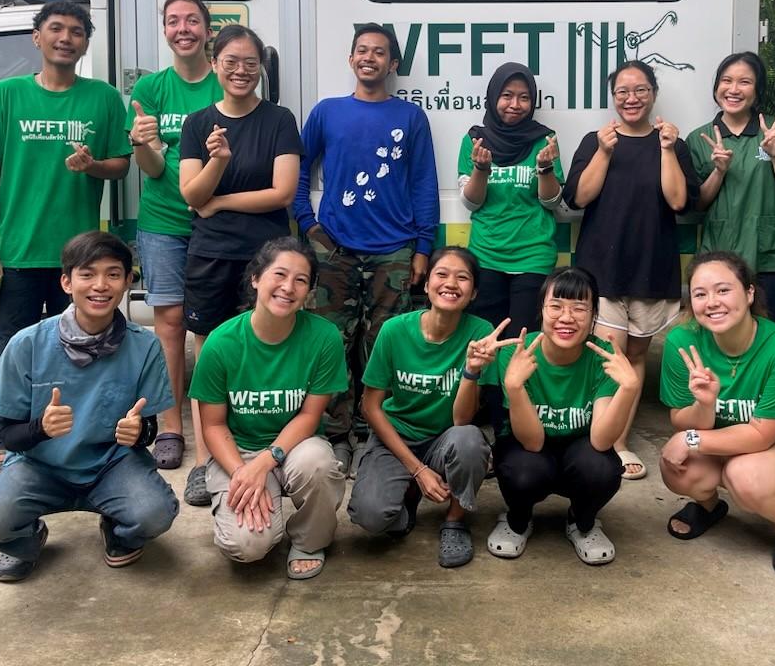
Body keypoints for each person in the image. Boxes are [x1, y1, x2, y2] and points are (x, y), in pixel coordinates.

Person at [0, 1, 131, 482]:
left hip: (82, 262)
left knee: (88, 352)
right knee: (11, 354)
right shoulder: (6, 96)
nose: (66, 37)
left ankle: (83, 438)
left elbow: (120, 165)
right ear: (37, 37)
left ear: (85, 43)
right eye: (56, 29)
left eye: (77, 31)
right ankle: (4, 448)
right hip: (19, 252)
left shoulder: (102, 98)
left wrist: (92, 165)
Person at [0, 231, 178, 582]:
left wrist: (140, 432)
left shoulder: (145, 347)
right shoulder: (27, 344)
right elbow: (8, 435)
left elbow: (148, 426)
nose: (100, 285)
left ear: (127, 281)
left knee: (154, 514)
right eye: (87, 274)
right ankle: (25, 540)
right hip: (40, 466)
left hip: (112, 465)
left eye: (113, 274)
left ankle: (118, 531)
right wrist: (41, 429)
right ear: (66, 282)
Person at [293, 23, 439, 471]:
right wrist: (309, 226)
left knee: (383, 349)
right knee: (332, 346)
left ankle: (377, 436)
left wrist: (423, 248)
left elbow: (423, 184)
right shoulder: (327, 112)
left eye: (379, 52)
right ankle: (337, 435)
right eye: (362, 50)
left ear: (393, 64)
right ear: (351, 58)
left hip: (394, 250)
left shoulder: (410, 118)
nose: (369, 57)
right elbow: (297, 171)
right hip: (333, 249)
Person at [177, 24, 302, 508]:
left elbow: (282, 192)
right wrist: (217, 161)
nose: (241, 71)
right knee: (209, 357)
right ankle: (205, 462)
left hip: (266, 257)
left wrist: (220, 199)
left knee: (264, 350)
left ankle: (260, 450)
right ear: (214, 65)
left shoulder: (279, 120)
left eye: (251, 63)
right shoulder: (197, 124)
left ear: (261, 69)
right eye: (231, 62)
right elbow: (191, 195)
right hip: (210, 254)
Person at [563, 59, 701, 480]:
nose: (631, 98)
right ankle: (615, 443)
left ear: (653, 93)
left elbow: (680, 202)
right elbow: (577, 198)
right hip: (601, 268)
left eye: (640, 89)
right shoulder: (596, 140)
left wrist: (665, 150)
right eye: (622, 91)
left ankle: (614, 429)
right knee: (611, 354)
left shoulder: (671, 143)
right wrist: (604, 152)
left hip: (650, 264)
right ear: (613, 97)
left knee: (637, 356)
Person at [658, 251, 775, 577]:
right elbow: (681, 419)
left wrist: (693, 438)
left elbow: (761, 434)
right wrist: (705, 406)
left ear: (749, 292)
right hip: (724, 435)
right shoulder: (682, 342)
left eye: (723, 290)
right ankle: (710, 507)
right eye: (700, 294)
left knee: (746, 476)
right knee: (676, 468)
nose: (712, 302)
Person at [188, 237, 348, 580]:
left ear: (309, 291)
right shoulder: (221, 342)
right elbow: (213, 425)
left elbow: (309, 415)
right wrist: (243, 473)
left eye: (301, 280)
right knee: (247, 547)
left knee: (317, 465)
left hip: (294, 446)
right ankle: (257, 514)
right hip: (237, 451)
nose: (288, 287)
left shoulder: (324, 337)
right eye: (279, 274)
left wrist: (267, 460)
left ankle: (309, 539)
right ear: (256, 279)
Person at [459, 267, 637, 566]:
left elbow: (601, 439)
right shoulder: (516, 354)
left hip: (580, 449)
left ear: (593, 314)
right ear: (540, 310)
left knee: (602, 468)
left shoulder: (604, 356)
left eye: (579, 308)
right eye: (556, 306)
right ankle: (517, 520)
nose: (566, 318)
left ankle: (582, 522)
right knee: (523, 471)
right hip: (530, 449)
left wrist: (629, 388)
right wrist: (515, 388)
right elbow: (532, 442)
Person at [348, 247, 507, 568]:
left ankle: (455, 520)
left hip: (446, 438)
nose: (451, 283)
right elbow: (371, 407)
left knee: (470, 440)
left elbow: (462, 420)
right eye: (442, 274)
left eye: (463, 278)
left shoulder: (480, 333)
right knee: (371, 517)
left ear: (473, 292)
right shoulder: (394, 331)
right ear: (426, 284)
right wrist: (417, 470)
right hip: (396, 438)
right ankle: (408, 494)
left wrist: (472, 370)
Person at [127, 0, 222, 471]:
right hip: (163, 223)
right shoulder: (151, 89)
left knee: (212, 331)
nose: (182, 28)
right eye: (172, 21)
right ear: (164, 31)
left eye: (191, 20)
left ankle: (214, 426)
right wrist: (143, 143)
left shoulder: (223, 83)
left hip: (215, 222)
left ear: (207, 29)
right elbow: (152, 166)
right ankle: (170, 428)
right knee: (168, 327)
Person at [687, 52, 775, 321]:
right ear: (716, 87)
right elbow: (698, 204)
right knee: (719, 333)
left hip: (771, 256)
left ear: (758, 89)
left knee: (763, 333)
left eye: (745, 82)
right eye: (726, 81)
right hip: (718, 256)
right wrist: (719, 172)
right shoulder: (698, 139)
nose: (733, 89)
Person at [458, 63, 563, 333]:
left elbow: (551, 202)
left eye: (524, 97)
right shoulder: (475, 140)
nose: (515, 104)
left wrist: (545, 168)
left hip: (533, 256)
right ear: (493, 97)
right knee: (486, 340)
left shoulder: (545, 140)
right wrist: (481, 169)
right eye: (507, 95)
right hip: (485, 255)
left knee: (523, 341)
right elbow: (471, 202)